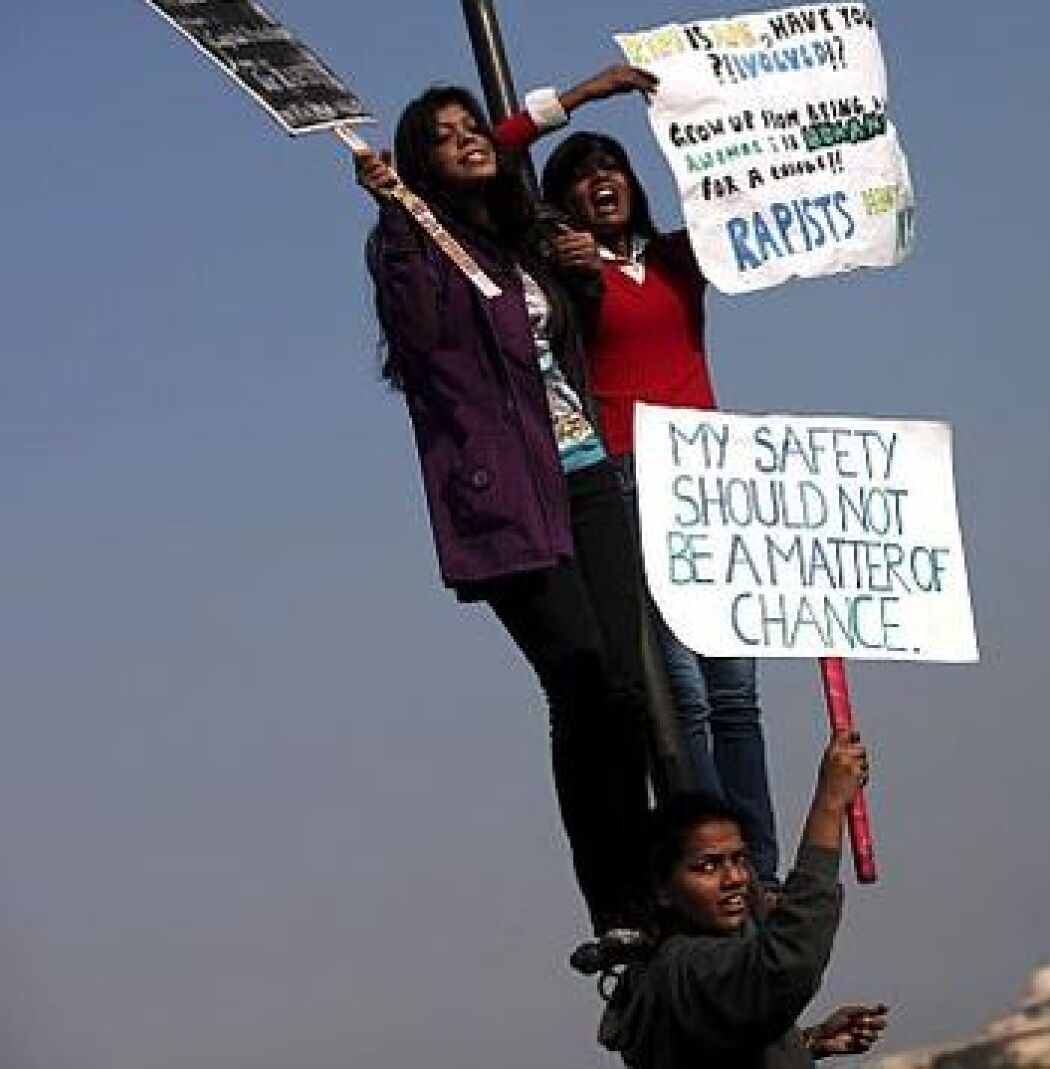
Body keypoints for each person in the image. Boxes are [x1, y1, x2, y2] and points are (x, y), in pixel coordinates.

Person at [354, 86, 657, 941]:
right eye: (442, 138)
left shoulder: (521, 237)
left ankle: (653, 877)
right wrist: (395, 213)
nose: (465, 141)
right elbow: (415, 323)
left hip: (587, 474)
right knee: (584, 683)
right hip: (508, 499)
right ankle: (619, 902)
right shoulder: (415, 248)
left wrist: (583, 277)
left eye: (472, 128)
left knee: (628, 687)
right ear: (422, 164)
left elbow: (565, 344)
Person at [491, 65, 785, 886]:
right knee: (682, 688)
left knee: (737, 693)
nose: (601, 182)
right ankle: (704, 858)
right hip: (629, 474)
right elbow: (497, 154)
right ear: (563, 202)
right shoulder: (562, 280)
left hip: (714, 475)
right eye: (581, 175)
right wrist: (583, 96)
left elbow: (758, 187)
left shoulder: (678, 259)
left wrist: (715, 102)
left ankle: (753, 865)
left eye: (611, 166)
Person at [598, 730, 889, 1068]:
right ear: (662, 889)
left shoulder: (678, 976)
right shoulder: (685, 969)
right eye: (707, 866)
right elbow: (789, 962)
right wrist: (830, 803)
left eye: (738, 859)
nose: (735, 879)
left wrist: (803, 1045)